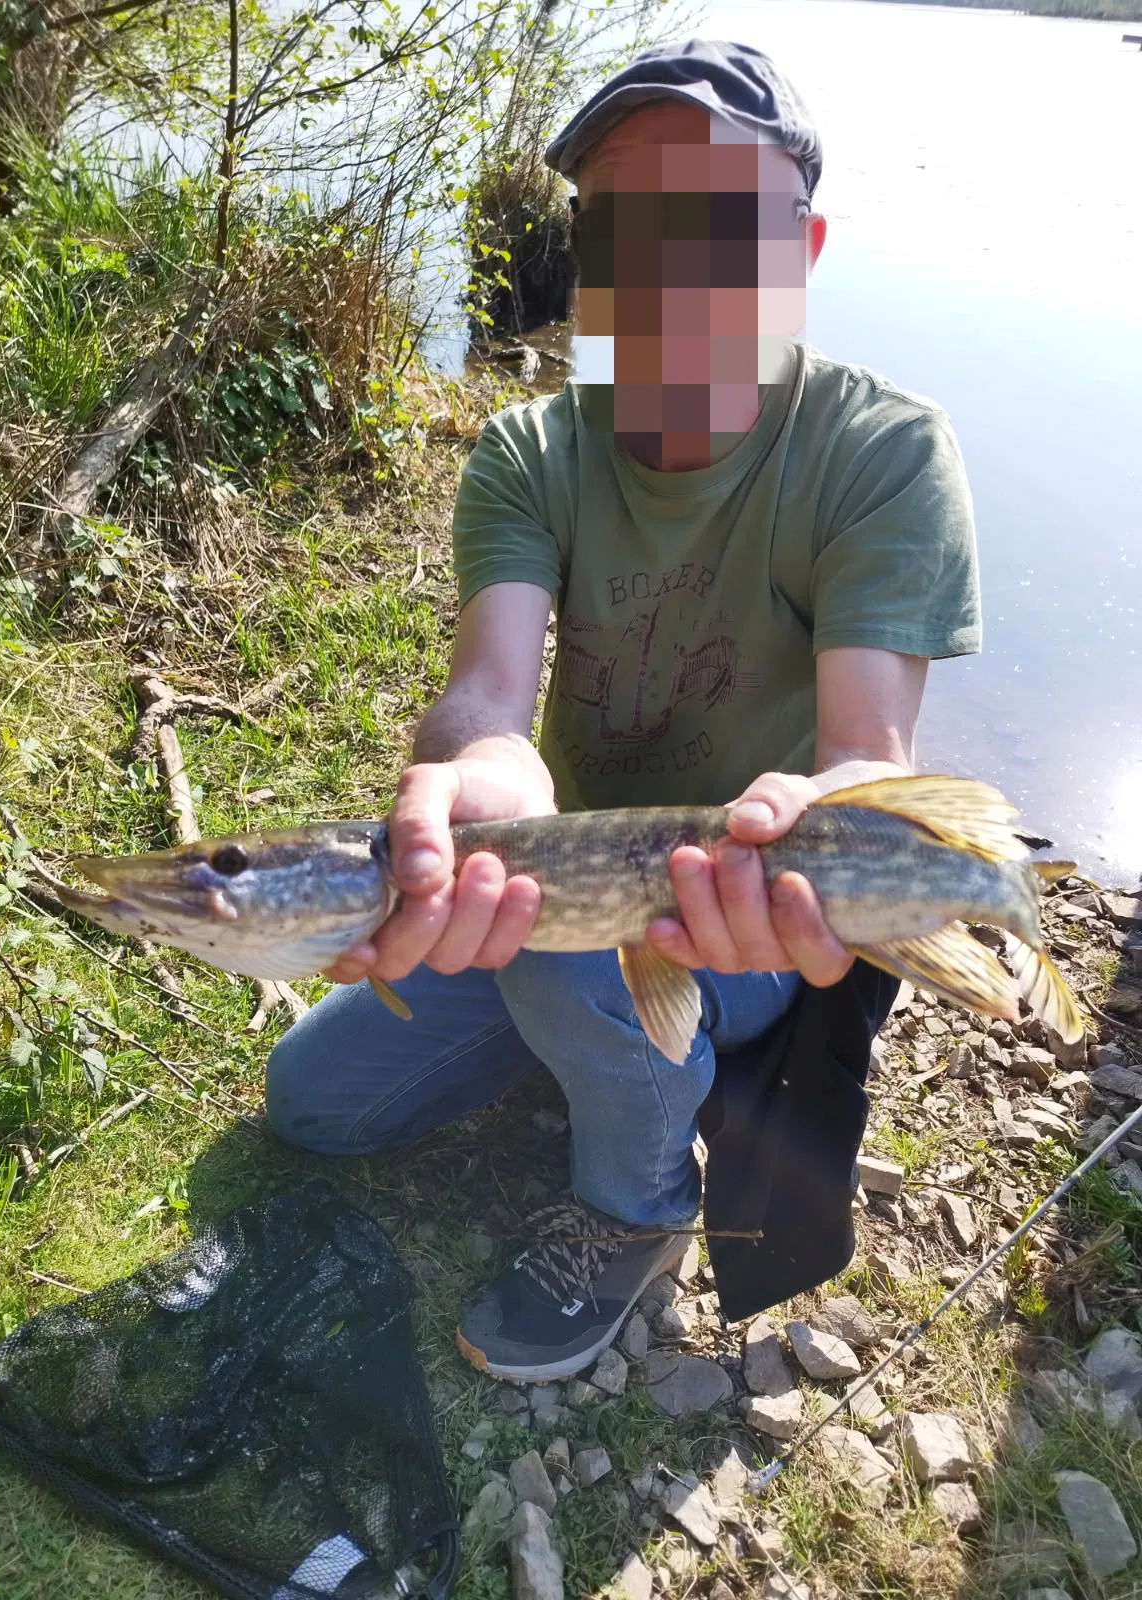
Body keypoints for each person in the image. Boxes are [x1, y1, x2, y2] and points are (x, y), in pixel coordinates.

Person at [265, 40, 980, 1384]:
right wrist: (480, 787)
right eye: (619, 225)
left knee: (561, 960)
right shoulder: (531, 448)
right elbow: (488, 698)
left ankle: (640, 1207)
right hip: (562, 891)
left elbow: (865, 759)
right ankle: (602, 1039)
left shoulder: (884, 452)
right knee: (313, 1106)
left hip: (761, 910)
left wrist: (820, 825)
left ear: (800, 246)